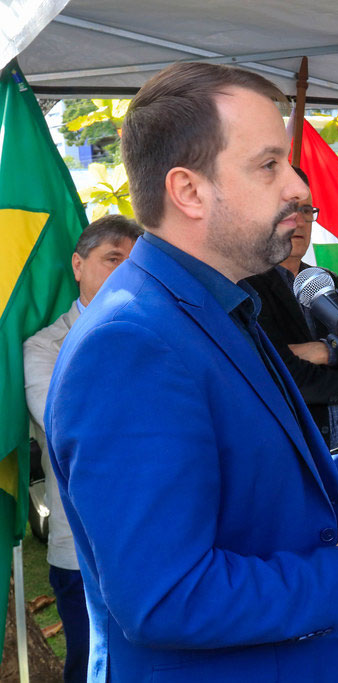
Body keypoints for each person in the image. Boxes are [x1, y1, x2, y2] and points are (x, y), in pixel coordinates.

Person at [45, 62, 338, 683]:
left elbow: (251, 474)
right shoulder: (131, 342)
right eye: (269, 165)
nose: (298, 188)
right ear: (189, 191)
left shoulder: (216, 304)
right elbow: (165, 595)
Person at [23, 215, 142, 683]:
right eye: (112, 258)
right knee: (94, 669)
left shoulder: (157, 332)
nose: (124, 271)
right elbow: (72, 428)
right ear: (77, 265)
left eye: (133, 262)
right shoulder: (45, 347)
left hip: (159, 543)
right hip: (83, 551)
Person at [244, 166, 338, 454]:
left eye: (307, 210)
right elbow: (280, 376)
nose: (299, 221)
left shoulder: (326, 280)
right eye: (288, 210)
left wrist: (323, 352)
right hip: (297, 457)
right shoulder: (247, 285)